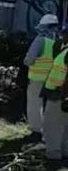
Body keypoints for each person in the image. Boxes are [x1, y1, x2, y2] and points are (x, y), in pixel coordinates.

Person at [24, 14, 60, 142]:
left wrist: (27, 61)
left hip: (37, 79)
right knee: (49, 107)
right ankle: (49, 131)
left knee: (34, 104)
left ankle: (36, 131)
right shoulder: (59, 41)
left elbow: (29, 60)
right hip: (53, 79)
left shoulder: (40, 40)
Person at [41, 25, 68, 162]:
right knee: (64, 124)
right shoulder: (63, 49)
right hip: (59, 92)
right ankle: (64, 152)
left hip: (59, 93)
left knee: (51, 124)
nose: (62, 36)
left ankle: (53, 154)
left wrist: (64, 96)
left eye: (64, 34)